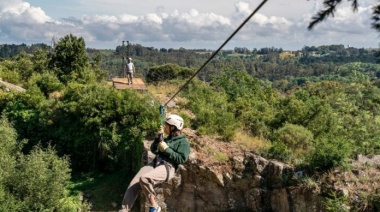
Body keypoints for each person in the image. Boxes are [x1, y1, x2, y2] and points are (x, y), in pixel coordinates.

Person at [119, 114, 190, 212]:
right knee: (133, 184)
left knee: (145, 179)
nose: (164, 127)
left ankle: (154, 206)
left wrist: (167, 149)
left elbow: (182, 159)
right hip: (155, 163)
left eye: (166, 125)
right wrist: (158, 138)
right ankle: (123, 210)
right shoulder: (168, 138)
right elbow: (154, 150)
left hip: (168, 167)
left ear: (173, 127)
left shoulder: (183, 142)